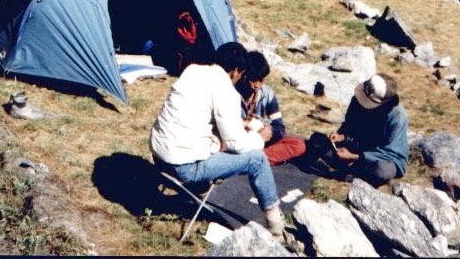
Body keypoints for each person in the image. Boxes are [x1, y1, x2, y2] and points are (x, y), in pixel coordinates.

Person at [150, 41, 285, 238]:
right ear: (236, 71)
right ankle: (276, 225)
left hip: (159, 155)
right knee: (257, 159)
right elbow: (236, 144)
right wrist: (259, 137)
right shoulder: (226, 89)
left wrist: (239, 124)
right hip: (183, 166)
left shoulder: (192, 71)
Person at [305, 73, 408, 186]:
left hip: (380, 158)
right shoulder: (357, 99)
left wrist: (355, 157)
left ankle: (352, 172)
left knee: (382, 171)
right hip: (355, 147)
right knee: (318, 140)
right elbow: (349, 126)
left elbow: (391, 153)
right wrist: (341, 136)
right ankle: (353, 172)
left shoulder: (396, 116)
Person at [237, 50, 306, 165]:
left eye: (261, 80)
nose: (257, 85)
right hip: (243, 142)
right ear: (245, 76)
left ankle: (253, 160)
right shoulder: (233, 95)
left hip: (263, 140)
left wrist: (267, 130)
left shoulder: (267, 94)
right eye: (254, 79)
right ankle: (255, 160)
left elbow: (280, 128)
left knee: (298, 145)